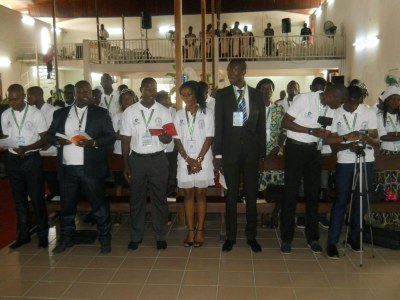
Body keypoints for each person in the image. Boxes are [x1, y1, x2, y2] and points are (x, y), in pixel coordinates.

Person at [46, 80, 115, 254]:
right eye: (81, 91)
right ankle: (66, 239)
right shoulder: (61, 113)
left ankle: (105, 240)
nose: (85, 94)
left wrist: (94, 143)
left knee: (99, 206)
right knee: (67, 207)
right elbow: (49, 135)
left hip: (90, 169)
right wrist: (56, 140)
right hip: (67, 169)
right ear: (74, 93)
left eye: (88, 91)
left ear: (91, 93)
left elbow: (110, 137)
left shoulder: (100, 113)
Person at [280, 84, 347, 254]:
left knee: (313, 195)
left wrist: (346, 138)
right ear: (330, 95)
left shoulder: (331, 109)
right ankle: (286, 239)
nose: (339, 105)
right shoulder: (304, 99)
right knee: (291, 194)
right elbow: (285, 122)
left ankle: (313, 238)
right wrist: (311, 130)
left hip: (314, 151)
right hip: (295, 149)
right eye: (339, 101)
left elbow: (326, 135)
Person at [214, 59, 266, 252]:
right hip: (230, 153)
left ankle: (251, 236)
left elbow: (261, 129)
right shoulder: (222, 95)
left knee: (251, 196)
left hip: (252, 153)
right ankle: (231, 236)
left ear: (244, 71)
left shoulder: (257, 95)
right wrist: (217, 155)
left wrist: (262, 155)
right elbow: (218, 126)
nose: (230, 74)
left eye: (234, 70)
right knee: (231, 196)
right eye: (229, 70)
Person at [325, 85, 379, 259]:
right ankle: (332, 242)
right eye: (349, 103)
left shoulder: (369, 112)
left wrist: (363, 137)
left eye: (356, 104)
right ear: (345, 99)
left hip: (366, 160)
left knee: (361, 200)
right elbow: (331, 143)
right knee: (341, 200)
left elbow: (375, 139)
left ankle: (354, 237)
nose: (352, 107)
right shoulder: (335, 112)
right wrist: (348, 144)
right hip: (345, 161)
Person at [121, 77, 172, 251]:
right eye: (148, 88)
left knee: (160, 199)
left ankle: (161, 236)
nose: (152, 91)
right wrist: (126, 164)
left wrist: (163, 135)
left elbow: (169, 138)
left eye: (154, 88)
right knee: (136, 199)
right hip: (137, 160)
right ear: (141, 90)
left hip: (158, 159)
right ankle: (136, 236)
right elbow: (125, 140)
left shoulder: (164, 111)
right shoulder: (130, 111)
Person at [0, 84, 49, 249]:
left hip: (31, 159)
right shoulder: (6, 114)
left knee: (36, 199)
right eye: (10, 99)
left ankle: (43, 235)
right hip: (13, 160)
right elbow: (7, 136)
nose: (12, 102)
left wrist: (27, 148)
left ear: (23, 97)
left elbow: (44, 139)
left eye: (15, 99)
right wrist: (4, 145)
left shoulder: (36, 114)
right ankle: (23, 235)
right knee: (19, 200)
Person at [174, 81, 214, 247]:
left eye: (189, 94)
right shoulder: (178, 115)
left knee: (201, 195)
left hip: (202, 158)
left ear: (196, 94)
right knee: (188, 195)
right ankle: (190, 231)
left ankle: (200, 230)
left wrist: (198, 160)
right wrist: (188, 159)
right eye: (183, 95)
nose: (186, 98)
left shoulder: (207, 112)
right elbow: (177, 139)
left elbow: (209, 137)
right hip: (185, 160)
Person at [26, 86, 59, 200]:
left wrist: (47, 143)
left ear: (39, 95)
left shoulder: (52, 110)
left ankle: (58, 209)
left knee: (53, 183)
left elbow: (54, 131)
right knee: (37, 184)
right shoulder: (30, 111)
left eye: (30, 95)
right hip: (34, 153)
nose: (27, 97)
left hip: (50, 153)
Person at [256, 78, 286, 193]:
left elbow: (284, 130)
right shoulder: (254, 109)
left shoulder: (279, 109)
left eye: (269, 88)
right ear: (259, 91)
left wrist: (278, 146)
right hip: (258, 150)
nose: (267, 90)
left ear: (273, 91)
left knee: (277, 184)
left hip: (275, 149)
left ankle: (275, 208)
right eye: (264, 88)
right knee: (259, 182)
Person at [112, 88, 136, 196]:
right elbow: (114, 135)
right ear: (120, 101)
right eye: (124, 99)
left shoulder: (138, 114)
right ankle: (118, 211)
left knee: (134, 182)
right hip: (119, 153)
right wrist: (128, 135)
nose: (126, 101)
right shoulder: (116, 116)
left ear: (134, 99)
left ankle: (134, 208)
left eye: (129, 98)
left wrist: (123, 134)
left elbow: (137, 134)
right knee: (119, 183)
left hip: (135, 153)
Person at [156, 90, 177, 196]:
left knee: (171, 177)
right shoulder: (154, 112)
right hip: (157, 150)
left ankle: (171, 200)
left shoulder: (176, 112)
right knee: (159, 177)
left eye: (167, 99)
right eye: (162, 101)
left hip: (172, 149)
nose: (165, 102)